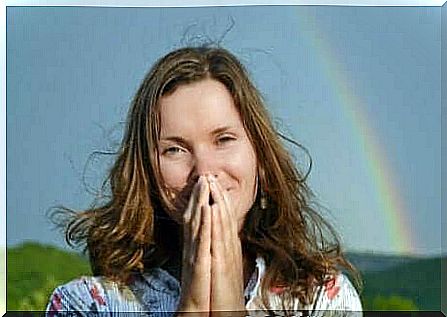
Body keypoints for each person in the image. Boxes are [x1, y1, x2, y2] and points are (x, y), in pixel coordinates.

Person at [46, 46, 363, 316]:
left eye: (223, 139)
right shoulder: (88, 305)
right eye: (175, 149)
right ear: (146, 172)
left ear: (261, 159)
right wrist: (194, 305)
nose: (204, 170)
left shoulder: (321, 299)